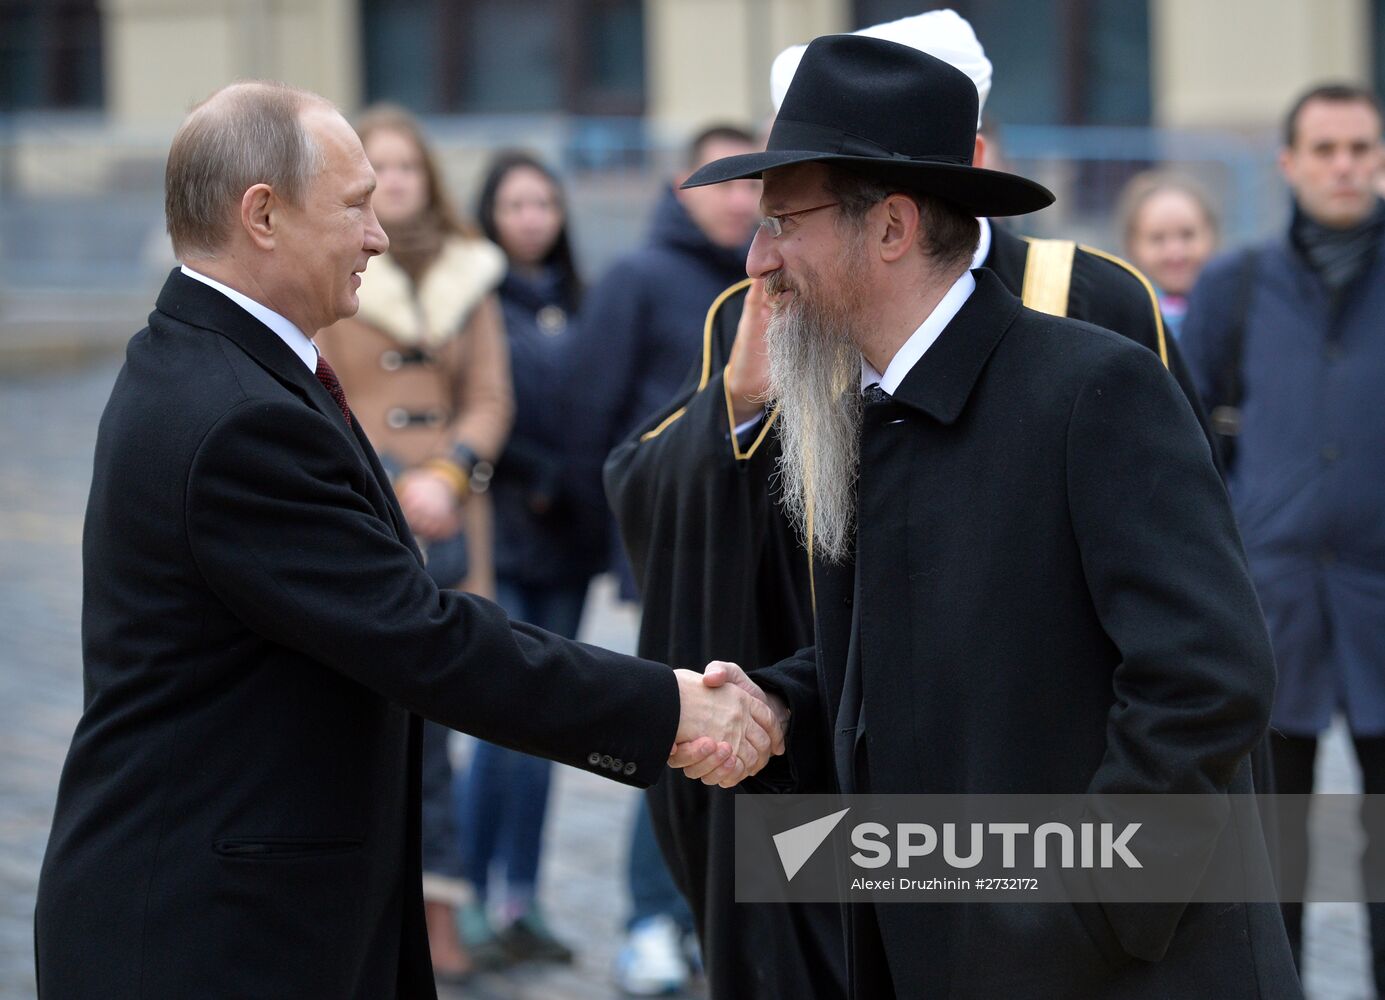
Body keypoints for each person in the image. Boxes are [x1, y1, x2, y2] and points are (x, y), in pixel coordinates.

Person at [32, 81, 781, 999]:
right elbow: (420, 637)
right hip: (216, 930)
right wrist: (668, 709)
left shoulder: (224, 364)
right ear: (261, 215)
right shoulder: (233, 415)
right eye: (355, 206)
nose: (378, 236)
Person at [605, 11, 1239, 998]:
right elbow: (908, 653)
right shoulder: (857, 409)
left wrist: (1080, 913)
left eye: (783, 219)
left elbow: (1203, 680)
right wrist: (780, 704)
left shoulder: (1092, 387)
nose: (756, 261)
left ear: (892, 226)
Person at [1180, 81, 1385, 989]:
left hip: (1381, 597)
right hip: (1272, 603)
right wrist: (1242, 527)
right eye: (1326, 148)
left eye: (1360, 148)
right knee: (1271, 848)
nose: (1344, 165)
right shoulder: (1240, 283)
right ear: (1290, 162)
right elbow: (1188, 428)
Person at [314, 103, 512, 984]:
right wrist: (390, 475)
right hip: (364, 506)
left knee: (447, 722)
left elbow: (491, 396)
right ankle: (371, 910)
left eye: (408, 167)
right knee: (369, 719)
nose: (395, 181)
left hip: (451, 518)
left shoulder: (472, 276)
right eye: (378, 168)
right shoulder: (331, 270)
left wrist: (452, 469)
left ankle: (440, 914)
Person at [576, 123, 762, 995]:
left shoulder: (764, 277)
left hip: (754, 551)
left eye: (747, 185)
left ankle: (701, 915)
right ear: (681, 188)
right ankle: (649, 919)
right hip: (668, 545)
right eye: (718, 182)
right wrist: (628, 538)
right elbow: (596, 417)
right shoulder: (639, 278)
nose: (737, 200)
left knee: (733, 736)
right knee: (669, 729)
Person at [448, 151, 602, 967]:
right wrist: (541, 476)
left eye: (545, 202)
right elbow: (480, 410)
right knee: (499, 727)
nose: (532, 217)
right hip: (501, 535)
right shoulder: (475, 302)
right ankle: (470, 897)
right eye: (514, 203)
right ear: (489, 213)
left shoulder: (583, 303)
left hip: (568, 545)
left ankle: (522, 899)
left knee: (552, 734)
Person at [1117, 171, 1219, 338]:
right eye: (1157, 238)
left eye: (1188, 235)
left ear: (1211, 235)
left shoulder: (1238, 310)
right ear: (1132, 246)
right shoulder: (1120, 322)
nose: (1175, 253)